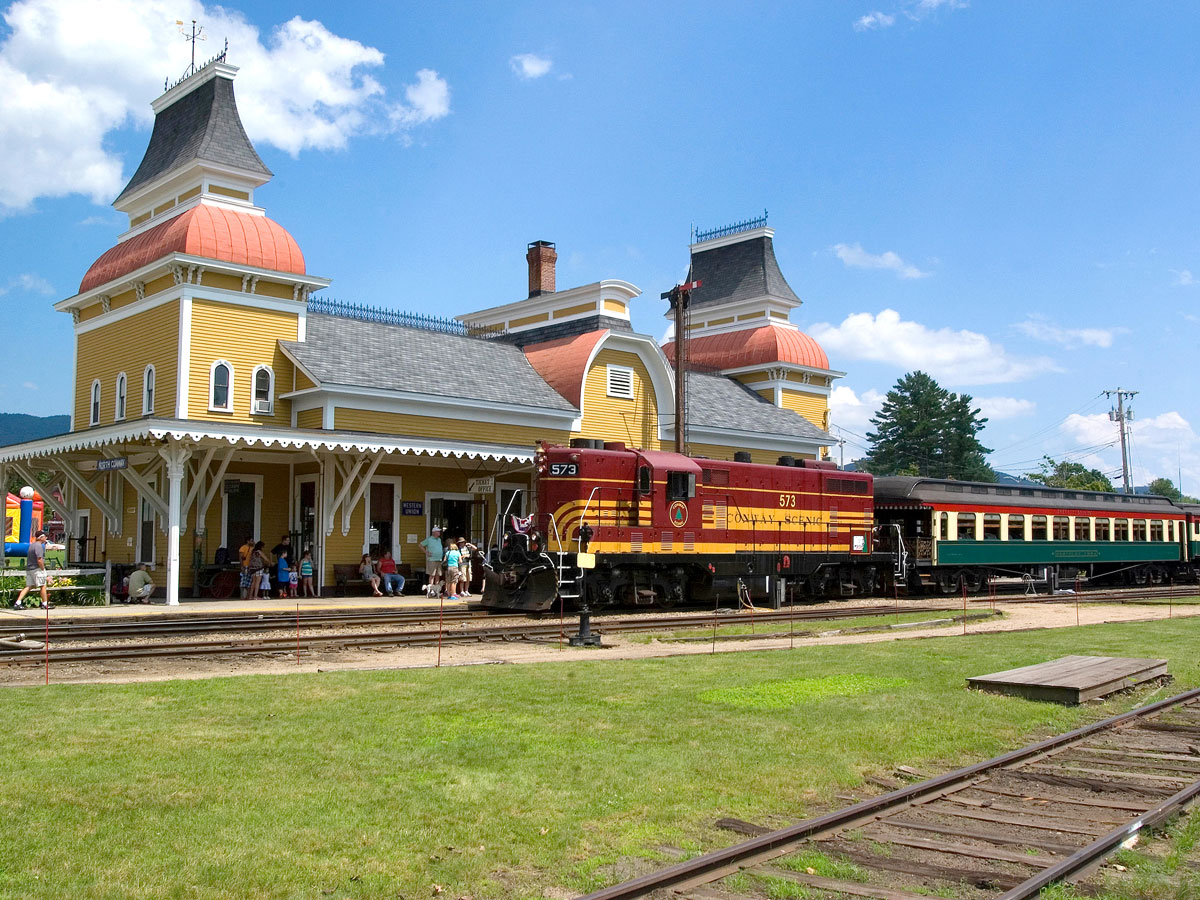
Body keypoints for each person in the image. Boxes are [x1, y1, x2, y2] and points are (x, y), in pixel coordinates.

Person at [13, 529, 52, 610]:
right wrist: (43, 569)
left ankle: (18, 602)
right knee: (42, 586)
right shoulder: (39, 546)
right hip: (37, 569)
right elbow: (39, 559)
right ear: (41, 537)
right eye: (45, 536)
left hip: (29, 569)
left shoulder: (32, 545)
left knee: (29, 586)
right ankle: (45, 604)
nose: (46, 538)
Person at [419, 525, 445, 595]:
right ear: (434, 532)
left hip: (439, 559)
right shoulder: (429, 539)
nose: (439, 532)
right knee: (432, 575)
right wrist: (426, 552)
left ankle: (436, 590)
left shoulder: (439, 539)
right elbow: (420, 545)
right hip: (432, 559)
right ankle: (431, 590)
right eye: (438, 531)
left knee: (438, 575)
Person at [238, 536, 254, 600]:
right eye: (251, 541)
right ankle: (242, 596)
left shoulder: (253, 548)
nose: (253, 542)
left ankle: (248, 596)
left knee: (249, 582)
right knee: (243, 582)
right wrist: (242, 566)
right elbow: (241, 557)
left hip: (251, 567)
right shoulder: (243, 547)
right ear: (248, 541)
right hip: (245, 566)